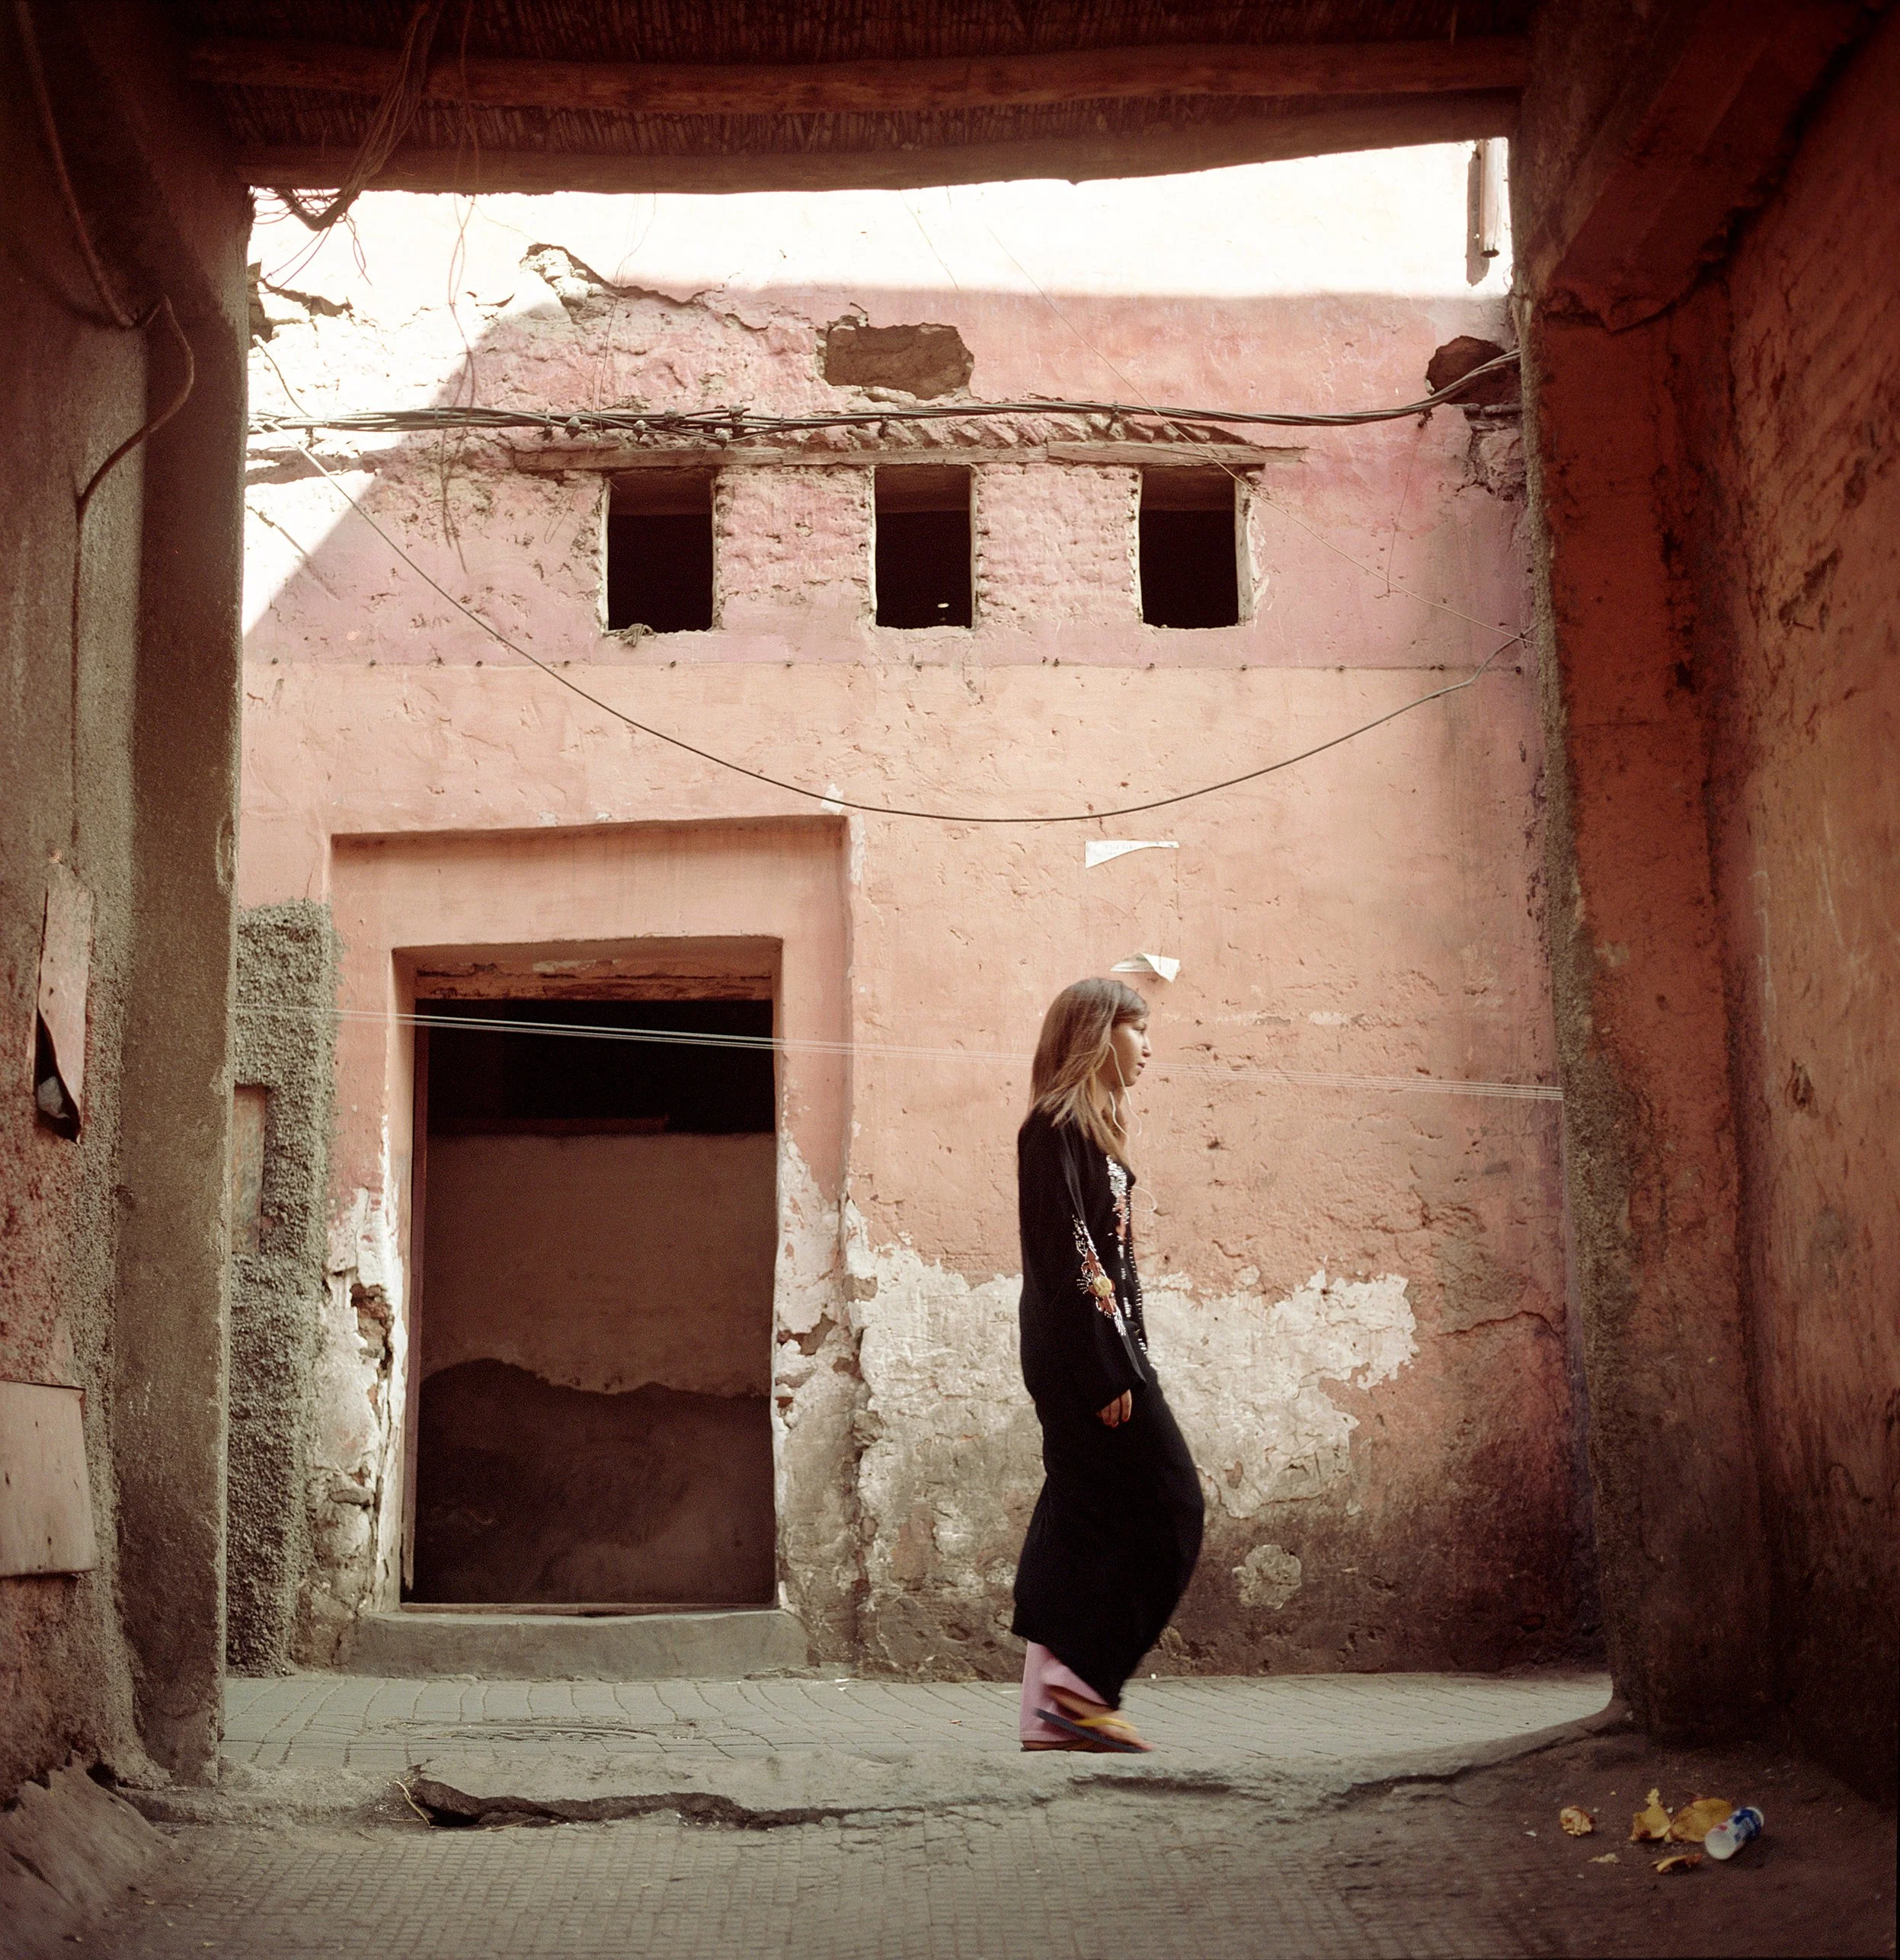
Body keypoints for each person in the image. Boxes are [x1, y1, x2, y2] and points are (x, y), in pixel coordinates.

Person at [1011, 977, 1204, 1752]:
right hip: (1085, 1357)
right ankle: (1080, 1688)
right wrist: (1108, 1367)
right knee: (1172, 1503)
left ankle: (1046, 1703)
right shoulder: (1052, 1127)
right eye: (1139, 1029)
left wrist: (1126, 1353)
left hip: (1102, 1350)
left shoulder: (1088, 1130)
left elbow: (1110, 1261)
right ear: (1098, 1033)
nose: (1150, 1046)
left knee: (1082, 1515)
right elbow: (1071, 1254)